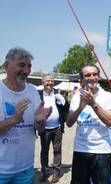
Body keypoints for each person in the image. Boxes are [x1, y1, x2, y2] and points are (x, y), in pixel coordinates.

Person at [0, 47, 52, 183]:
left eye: (29, 66)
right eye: (22, 65)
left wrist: (40, 122)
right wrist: (14, 119)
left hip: (25, 169)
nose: (27, 71)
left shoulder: (32, 91)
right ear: (7, 66)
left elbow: (39, 130)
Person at [66, 64, 111, 184]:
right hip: (81, 150)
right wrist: (80, 107)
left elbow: (110, 122)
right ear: (82, 79)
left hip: (102, 151)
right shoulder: (76, 97)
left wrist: (93, 103)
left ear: (98, 77)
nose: (92, 77)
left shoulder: (107, 96)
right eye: (87, 75)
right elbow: (69, 123)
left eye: (94, 74)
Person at [38, 74, 69, 183]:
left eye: (51, 81)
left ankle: (56, 172)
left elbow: (67, 108)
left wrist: (64, 102)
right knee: (44, 151)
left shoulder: (58, 93)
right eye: (47, 81)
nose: (50, 83)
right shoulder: (38, 94)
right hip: (44, 128)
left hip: (57, 127)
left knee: (57, 150)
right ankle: (45, 172)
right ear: (43, 83)